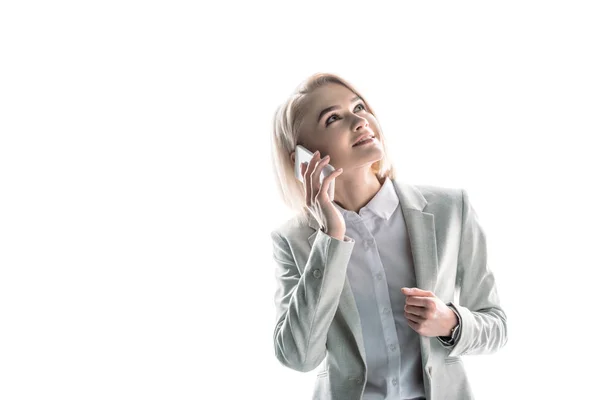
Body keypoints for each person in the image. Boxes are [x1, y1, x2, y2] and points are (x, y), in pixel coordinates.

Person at [269, 72, 508, 400]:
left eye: (360, 107)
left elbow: (496, 326)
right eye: (334, 118)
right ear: (303, 159)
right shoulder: (293, 240)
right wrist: (331, 237)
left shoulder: (451, 210)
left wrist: (451, 322)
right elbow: (298, 357)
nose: (359, 121)